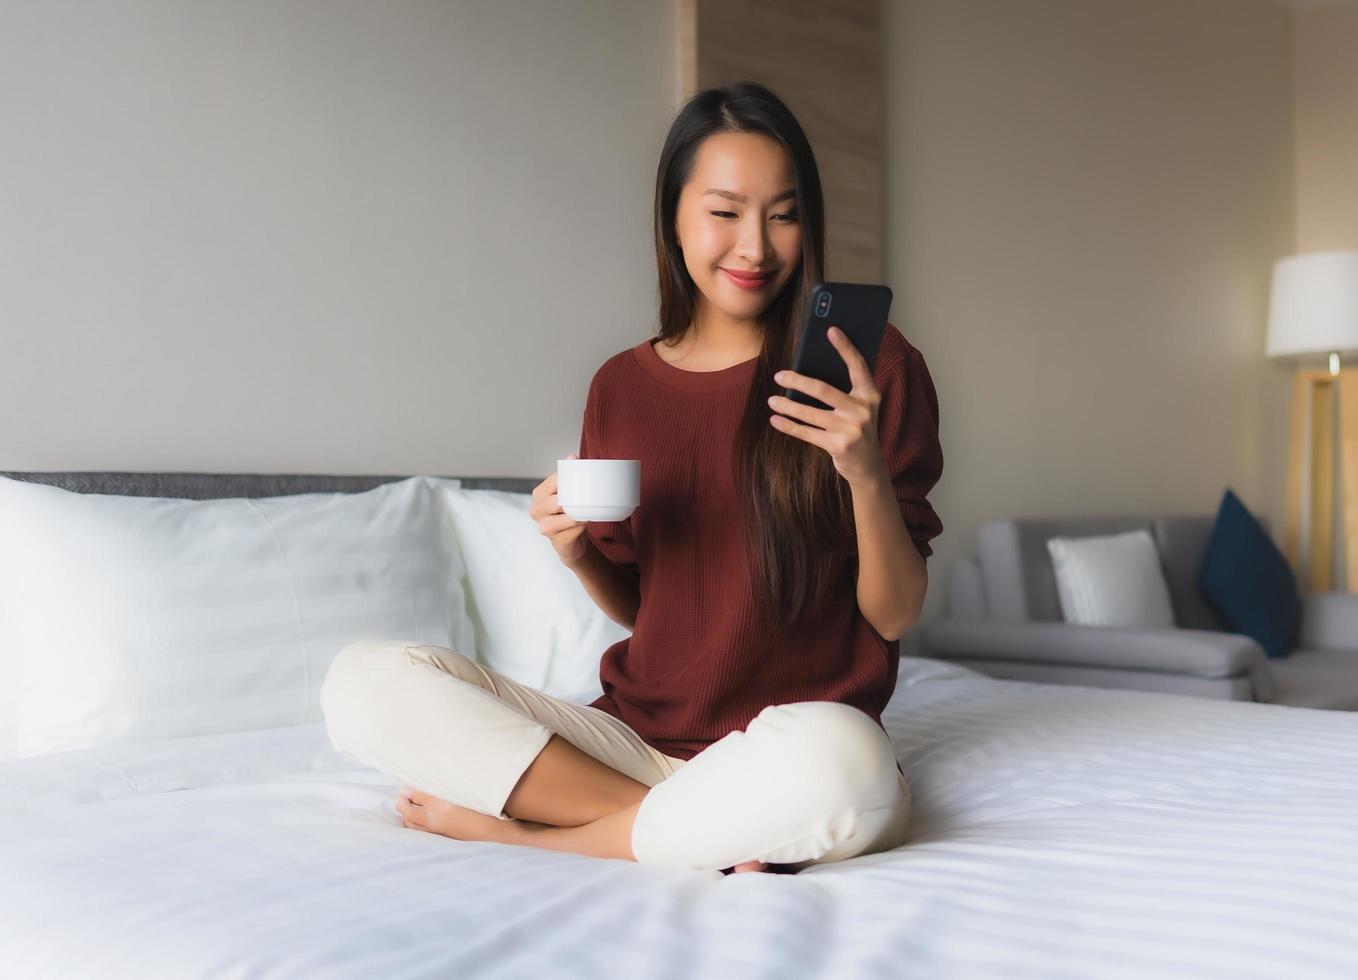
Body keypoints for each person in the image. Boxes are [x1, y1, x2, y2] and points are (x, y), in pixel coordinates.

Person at [320, 81, 944, 875]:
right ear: (674, 216)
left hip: (791, 744)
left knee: (849, 767)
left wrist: (862, 474)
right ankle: (692, 826)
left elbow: (894, 616)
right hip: (631, 746)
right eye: (724, 212)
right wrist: (579, 554)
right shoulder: (621, 386)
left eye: (783, 214)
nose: (754, 246)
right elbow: (653, 610)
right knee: (364, 684)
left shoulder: (874, 366)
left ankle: (533, 833)